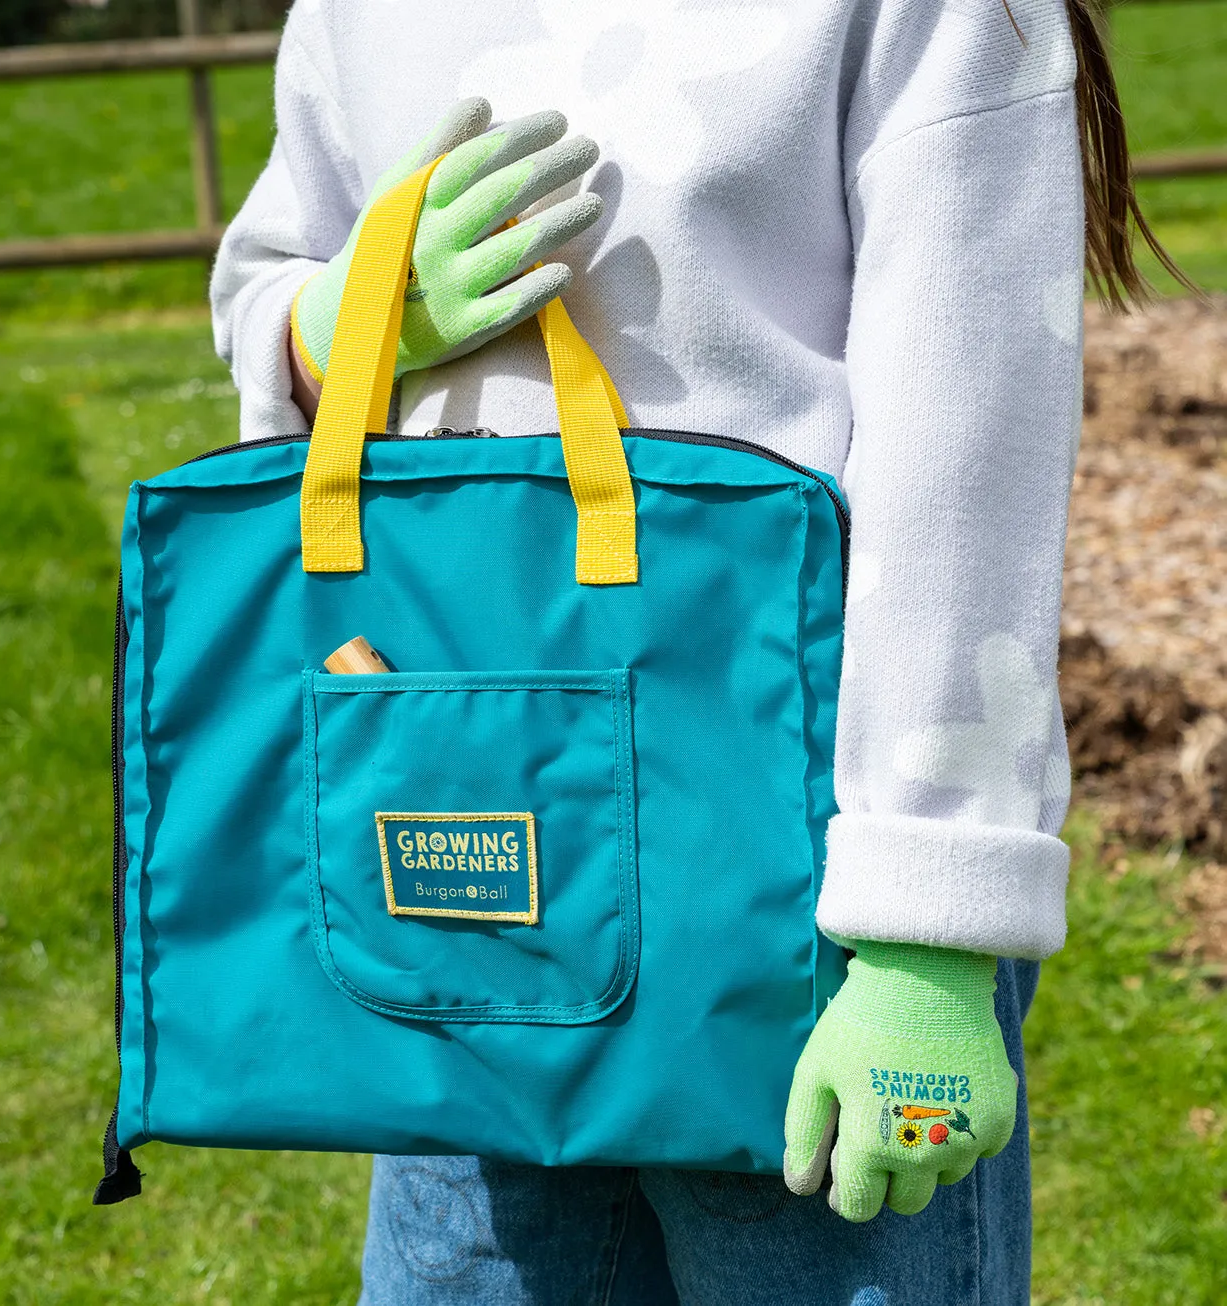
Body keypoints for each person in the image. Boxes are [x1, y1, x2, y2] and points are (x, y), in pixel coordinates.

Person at [210, 2, 1184, 1301]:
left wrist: (927, 928)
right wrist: (334, 323)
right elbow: (267, 272)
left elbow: (965, 453)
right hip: (459, 858)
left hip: (788, 872)